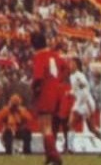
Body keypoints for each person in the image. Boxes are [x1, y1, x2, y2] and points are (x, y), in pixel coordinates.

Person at [66, 56, 101, 154]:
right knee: (91, 128)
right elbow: (77, 90)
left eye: (72, 63)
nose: (70, 65)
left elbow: (85, 86)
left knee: (71, 123)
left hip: (85, 102)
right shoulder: (72, 76)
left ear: (76, 65)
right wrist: (70, 92)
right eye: (70, 63)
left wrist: (80, 102)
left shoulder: (79, 75)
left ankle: (70, 148)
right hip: (83, 102)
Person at [31, 30, 66, 165]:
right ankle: (49, 156)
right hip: (56, 92)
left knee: (45, 126)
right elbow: (66, 67)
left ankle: (54, 156)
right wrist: (58, 80)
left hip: (45, 92)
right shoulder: (54, 55)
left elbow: (38, 77)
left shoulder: (40, 56)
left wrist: (34, 89)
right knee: (48, 126)